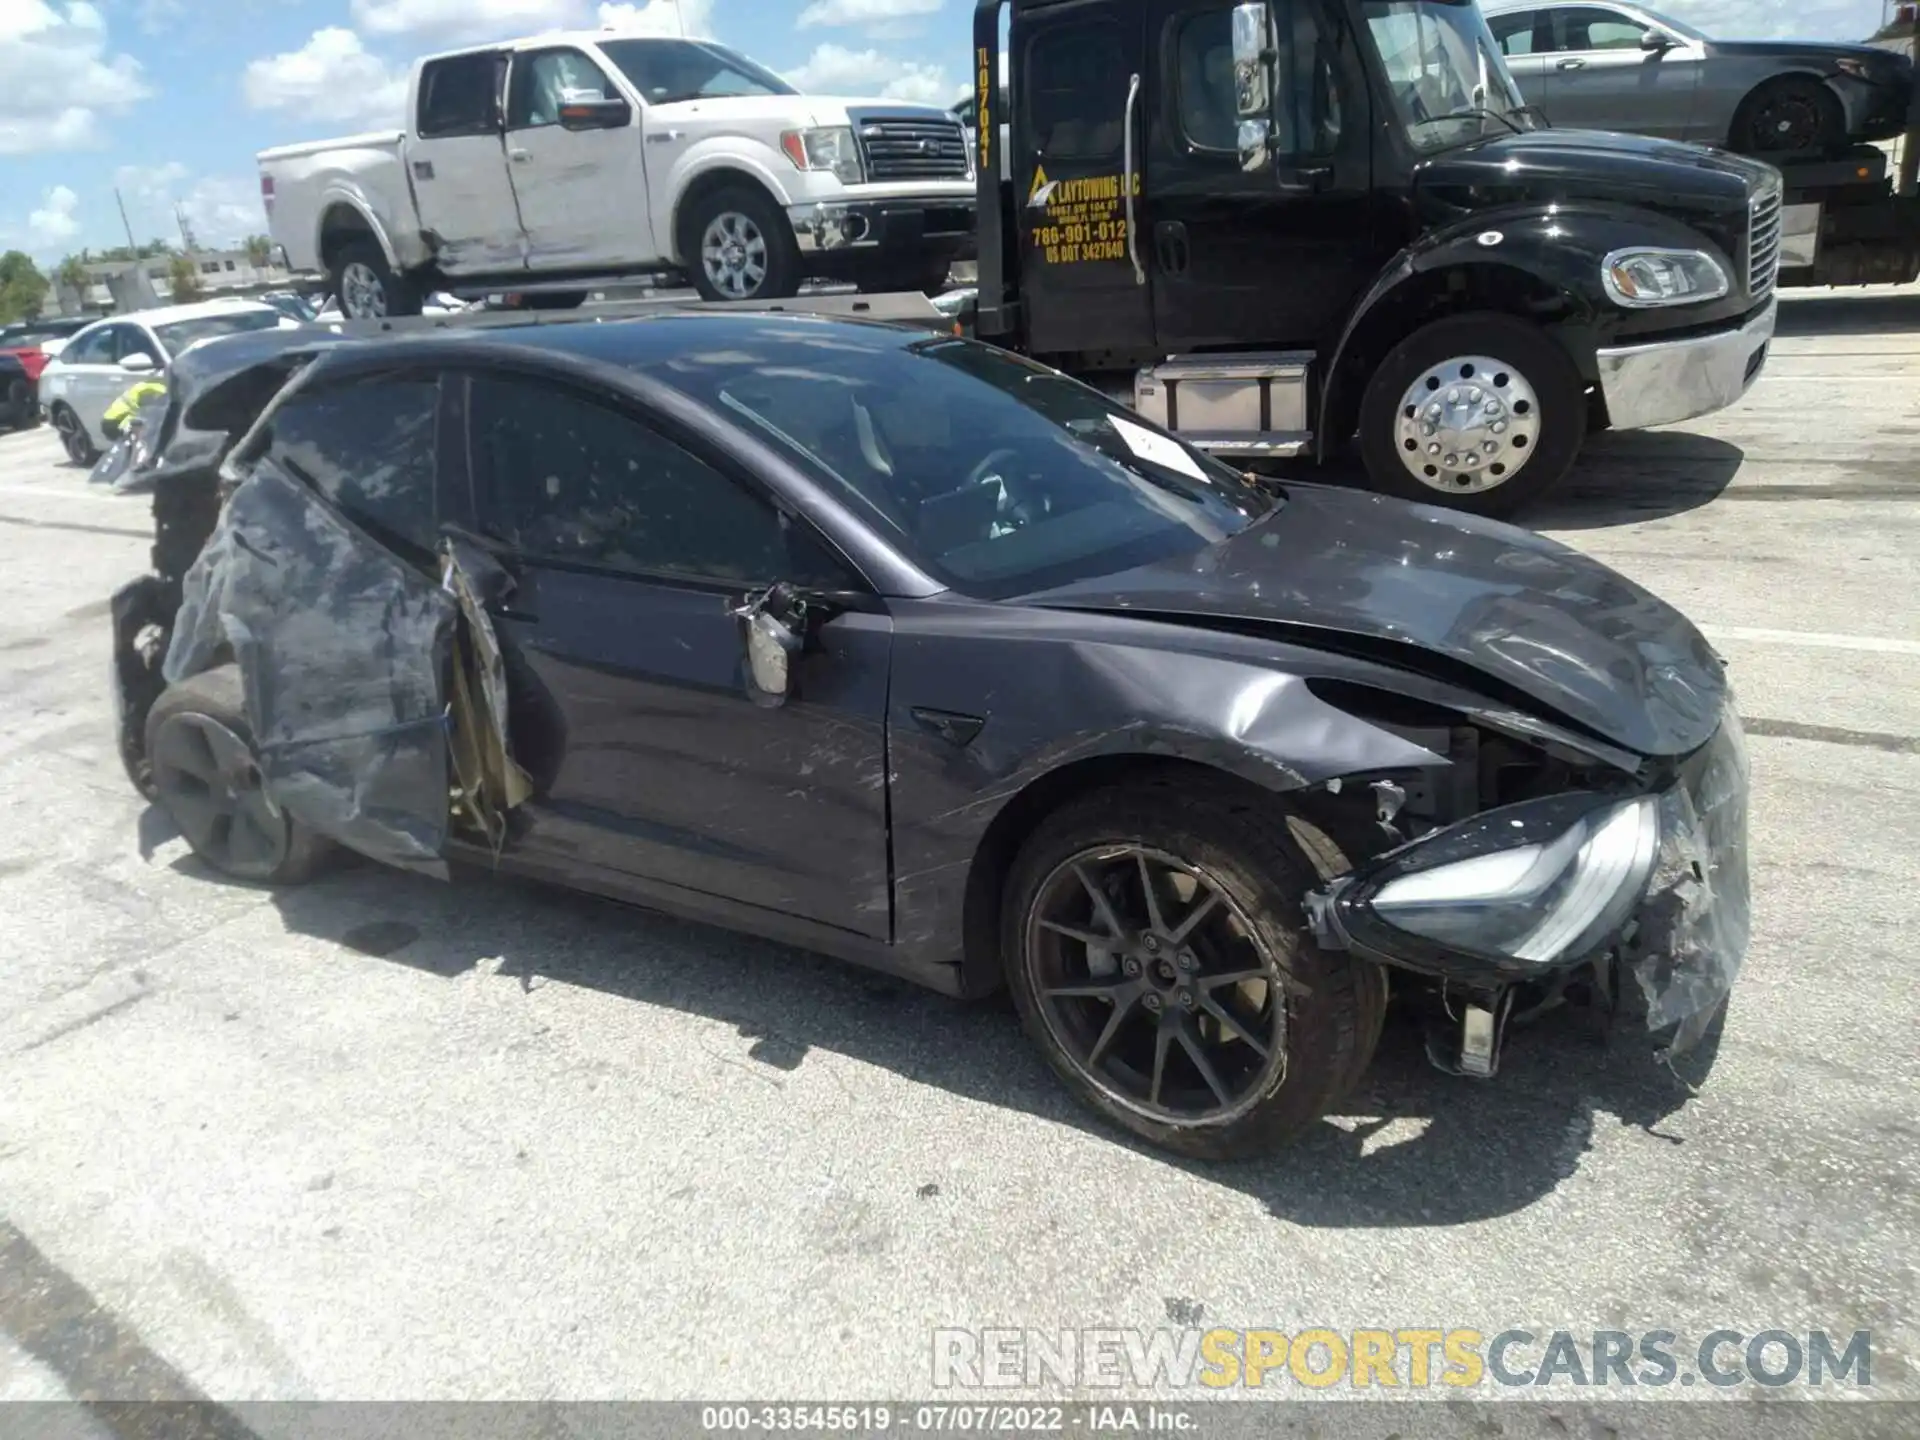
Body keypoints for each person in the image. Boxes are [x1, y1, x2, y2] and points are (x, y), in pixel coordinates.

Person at [101, 378, 166, 443]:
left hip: (109, 421)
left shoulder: (133, 397)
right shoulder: (133, 400)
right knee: (135, 428)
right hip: (111, 423)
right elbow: (128, 421)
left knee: (132, 430)